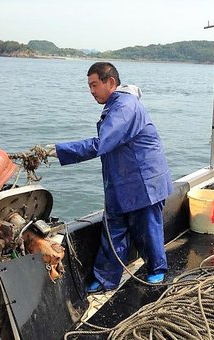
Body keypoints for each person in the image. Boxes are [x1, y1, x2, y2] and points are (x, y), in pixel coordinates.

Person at [49, 62, 173, 292]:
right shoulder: (115, 105)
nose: (92, 91)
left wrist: (58, 151)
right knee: (113, 228)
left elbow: (102, 142)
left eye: (95, 85)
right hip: (122, 180)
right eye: (89, 86)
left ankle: (157, 270)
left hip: (144, 180)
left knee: (147, 227)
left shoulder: (125, 107)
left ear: (111, 82)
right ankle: (105, 278)